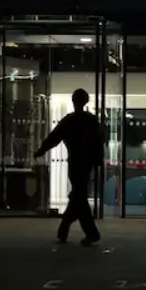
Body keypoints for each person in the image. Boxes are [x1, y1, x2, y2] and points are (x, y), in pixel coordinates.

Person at [34, 88, 103, 245]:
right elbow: (99, 143)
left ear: (74, 101)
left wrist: (40, 151)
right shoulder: (91, 120)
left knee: (79, 197)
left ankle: (82, 232)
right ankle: (66, 230)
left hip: (75, 163)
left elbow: (53, 138)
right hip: (86, 164)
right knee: (79, 197)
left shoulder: (69, 120)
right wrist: (97, 162)